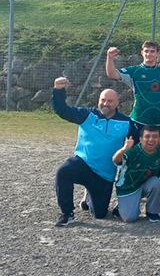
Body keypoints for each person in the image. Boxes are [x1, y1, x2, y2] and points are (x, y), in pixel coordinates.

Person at [51, 77, 135, 226]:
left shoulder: (126, 123)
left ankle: (88, 196)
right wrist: (58, 90)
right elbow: (62, 110)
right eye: (103, 100)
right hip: (83, 164)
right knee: (63, 171)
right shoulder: (86, 115)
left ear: (117, 103)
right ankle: (67, 213)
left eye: (110, 101)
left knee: (100, 215)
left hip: (104, 174)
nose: (105, 104)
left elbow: (144, 138)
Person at [112, 126, 160, 223]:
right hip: (128, 188)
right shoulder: (133, 151)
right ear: (141, 139)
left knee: (156, 183)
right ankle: (122, 206)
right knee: (130, 218)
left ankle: (152, 212)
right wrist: (124, 149)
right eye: (147, 136)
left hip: (146, 184)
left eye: (155, 137)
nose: (151, 140)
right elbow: (115, 160)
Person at [105, 41, 160, 135]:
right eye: (146, 51)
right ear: (142, 53)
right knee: (133, 147)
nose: (149, 54)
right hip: (139, 119)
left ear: (157, 54)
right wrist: (109, 57)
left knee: (158, 149)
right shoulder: (134, 71)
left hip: (159, 119)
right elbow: (111, 74)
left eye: (152, 51)